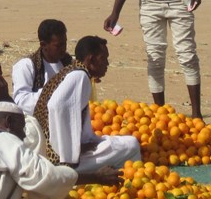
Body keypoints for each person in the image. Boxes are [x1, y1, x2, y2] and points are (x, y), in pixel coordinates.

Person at [34, 35, 141, 171]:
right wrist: (72, 150)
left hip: (58, 152)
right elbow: (56, 106)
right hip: (61, 162)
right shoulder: (80, 76)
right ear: (91, 60)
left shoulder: (73, 71)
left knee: (119, 141)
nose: (107, 64)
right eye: (103, 59)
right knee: (131, 145)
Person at [11, 19, 72, 114]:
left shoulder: (68, 62)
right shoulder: (26, 66)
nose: (63, 48)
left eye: (64, 43)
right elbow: (21, 101)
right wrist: (53, 93)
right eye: (58, 45)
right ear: (43, 45)